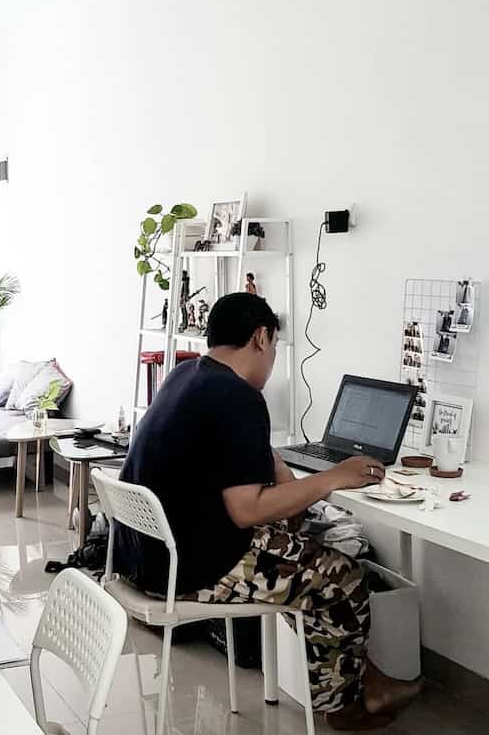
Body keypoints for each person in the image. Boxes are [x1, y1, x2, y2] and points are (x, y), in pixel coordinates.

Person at [115, 293, 421, 730]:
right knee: (342, 575)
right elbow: (246, 511)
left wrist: (272, 458)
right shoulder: (238, 397)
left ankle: (369, 683)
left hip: (141, 557)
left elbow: (222, 460)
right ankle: (346, 708)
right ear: (261, 337)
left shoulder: (187, 375)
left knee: (304, 554)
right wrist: (333, 477)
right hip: (191, 569)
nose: (273, 357)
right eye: (275, 346)